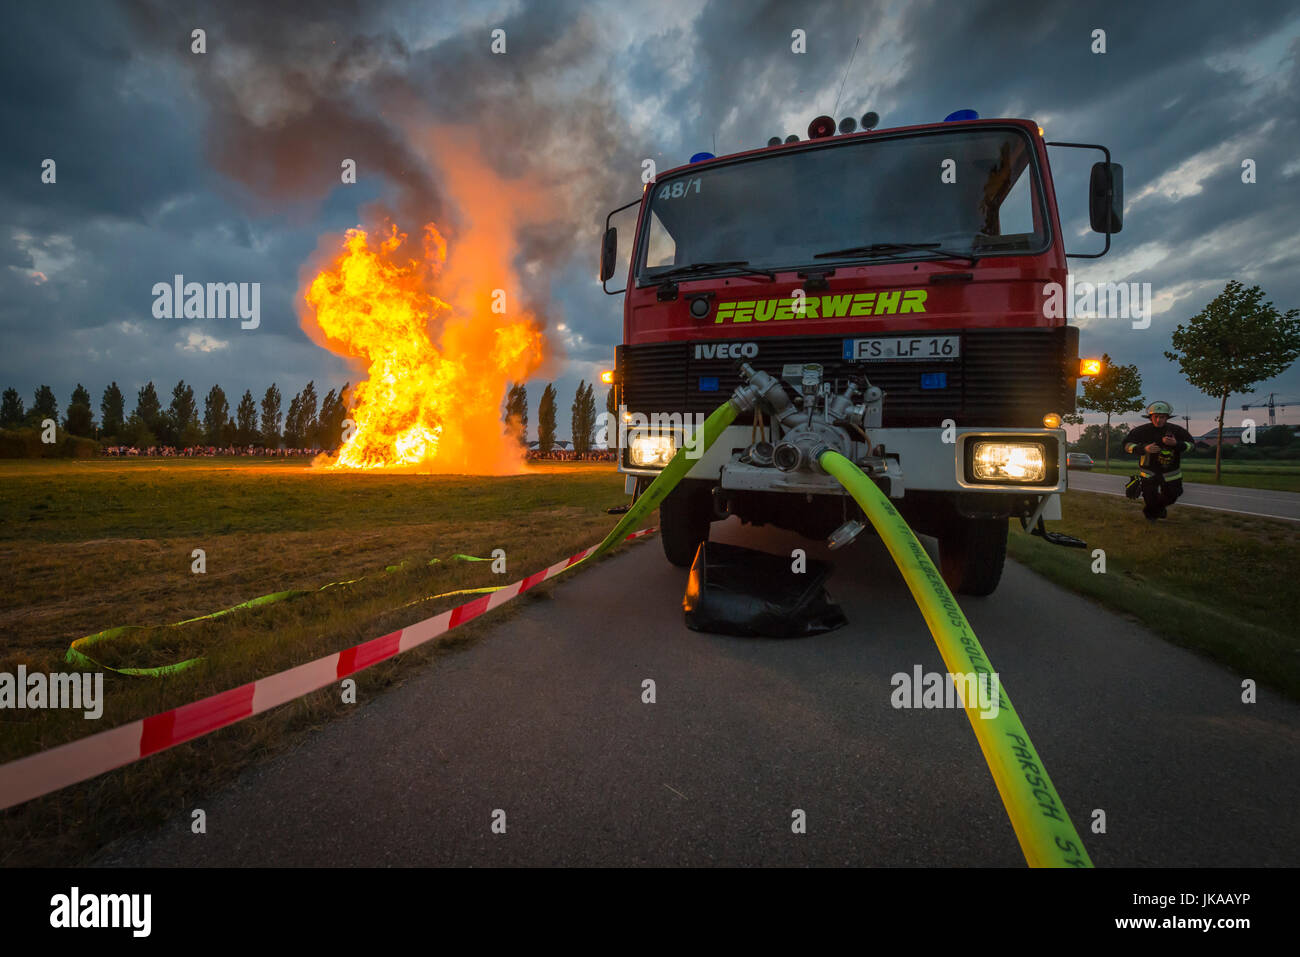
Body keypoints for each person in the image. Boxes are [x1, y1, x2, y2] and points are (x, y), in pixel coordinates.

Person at [1121, 401, 1196, 522]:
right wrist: (1143, 449)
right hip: (1149, 471)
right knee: (1150, 498)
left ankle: (1156, 510)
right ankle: (1151, 517)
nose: (1158, 420)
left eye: (1162, 417)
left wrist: (1177, 444)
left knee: (1172, 496)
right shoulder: (1141, 431)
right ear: (1150, 417)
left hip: (1171, 473)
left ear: (1167, 418)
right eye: (1155, 417)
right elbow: (1126, 445)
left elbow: (1192, 446)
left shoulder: (1177, 430)